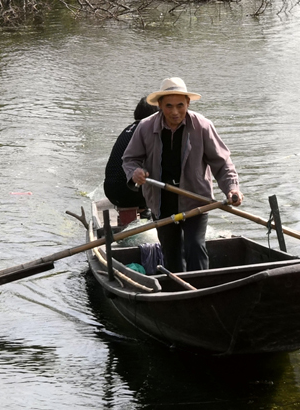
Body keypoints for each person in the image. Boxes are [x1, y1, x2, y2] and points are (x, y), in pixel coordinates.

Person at [121, 77, 242, 273]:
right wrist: (135, 172)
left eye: (180, 105)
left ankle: (202, 286)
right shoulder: (145, 127)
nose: (175, 112)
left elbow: (222, 163)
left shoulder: (202, 126)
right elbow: (130, 159)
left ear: (188, 103)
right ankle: (179, 287)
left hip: (195, 200)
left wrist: (232, 188)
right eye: (169, 106)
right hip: (161, 201)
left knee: (195, 246)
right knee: (171, 253)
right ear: (160, 105)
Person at [103, 98, 158, 228]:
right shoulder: (148, 131)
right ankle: (151, 215)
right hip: (129, 193)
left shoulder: (128, 129)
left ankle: (144, 211)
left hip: (110, 190)